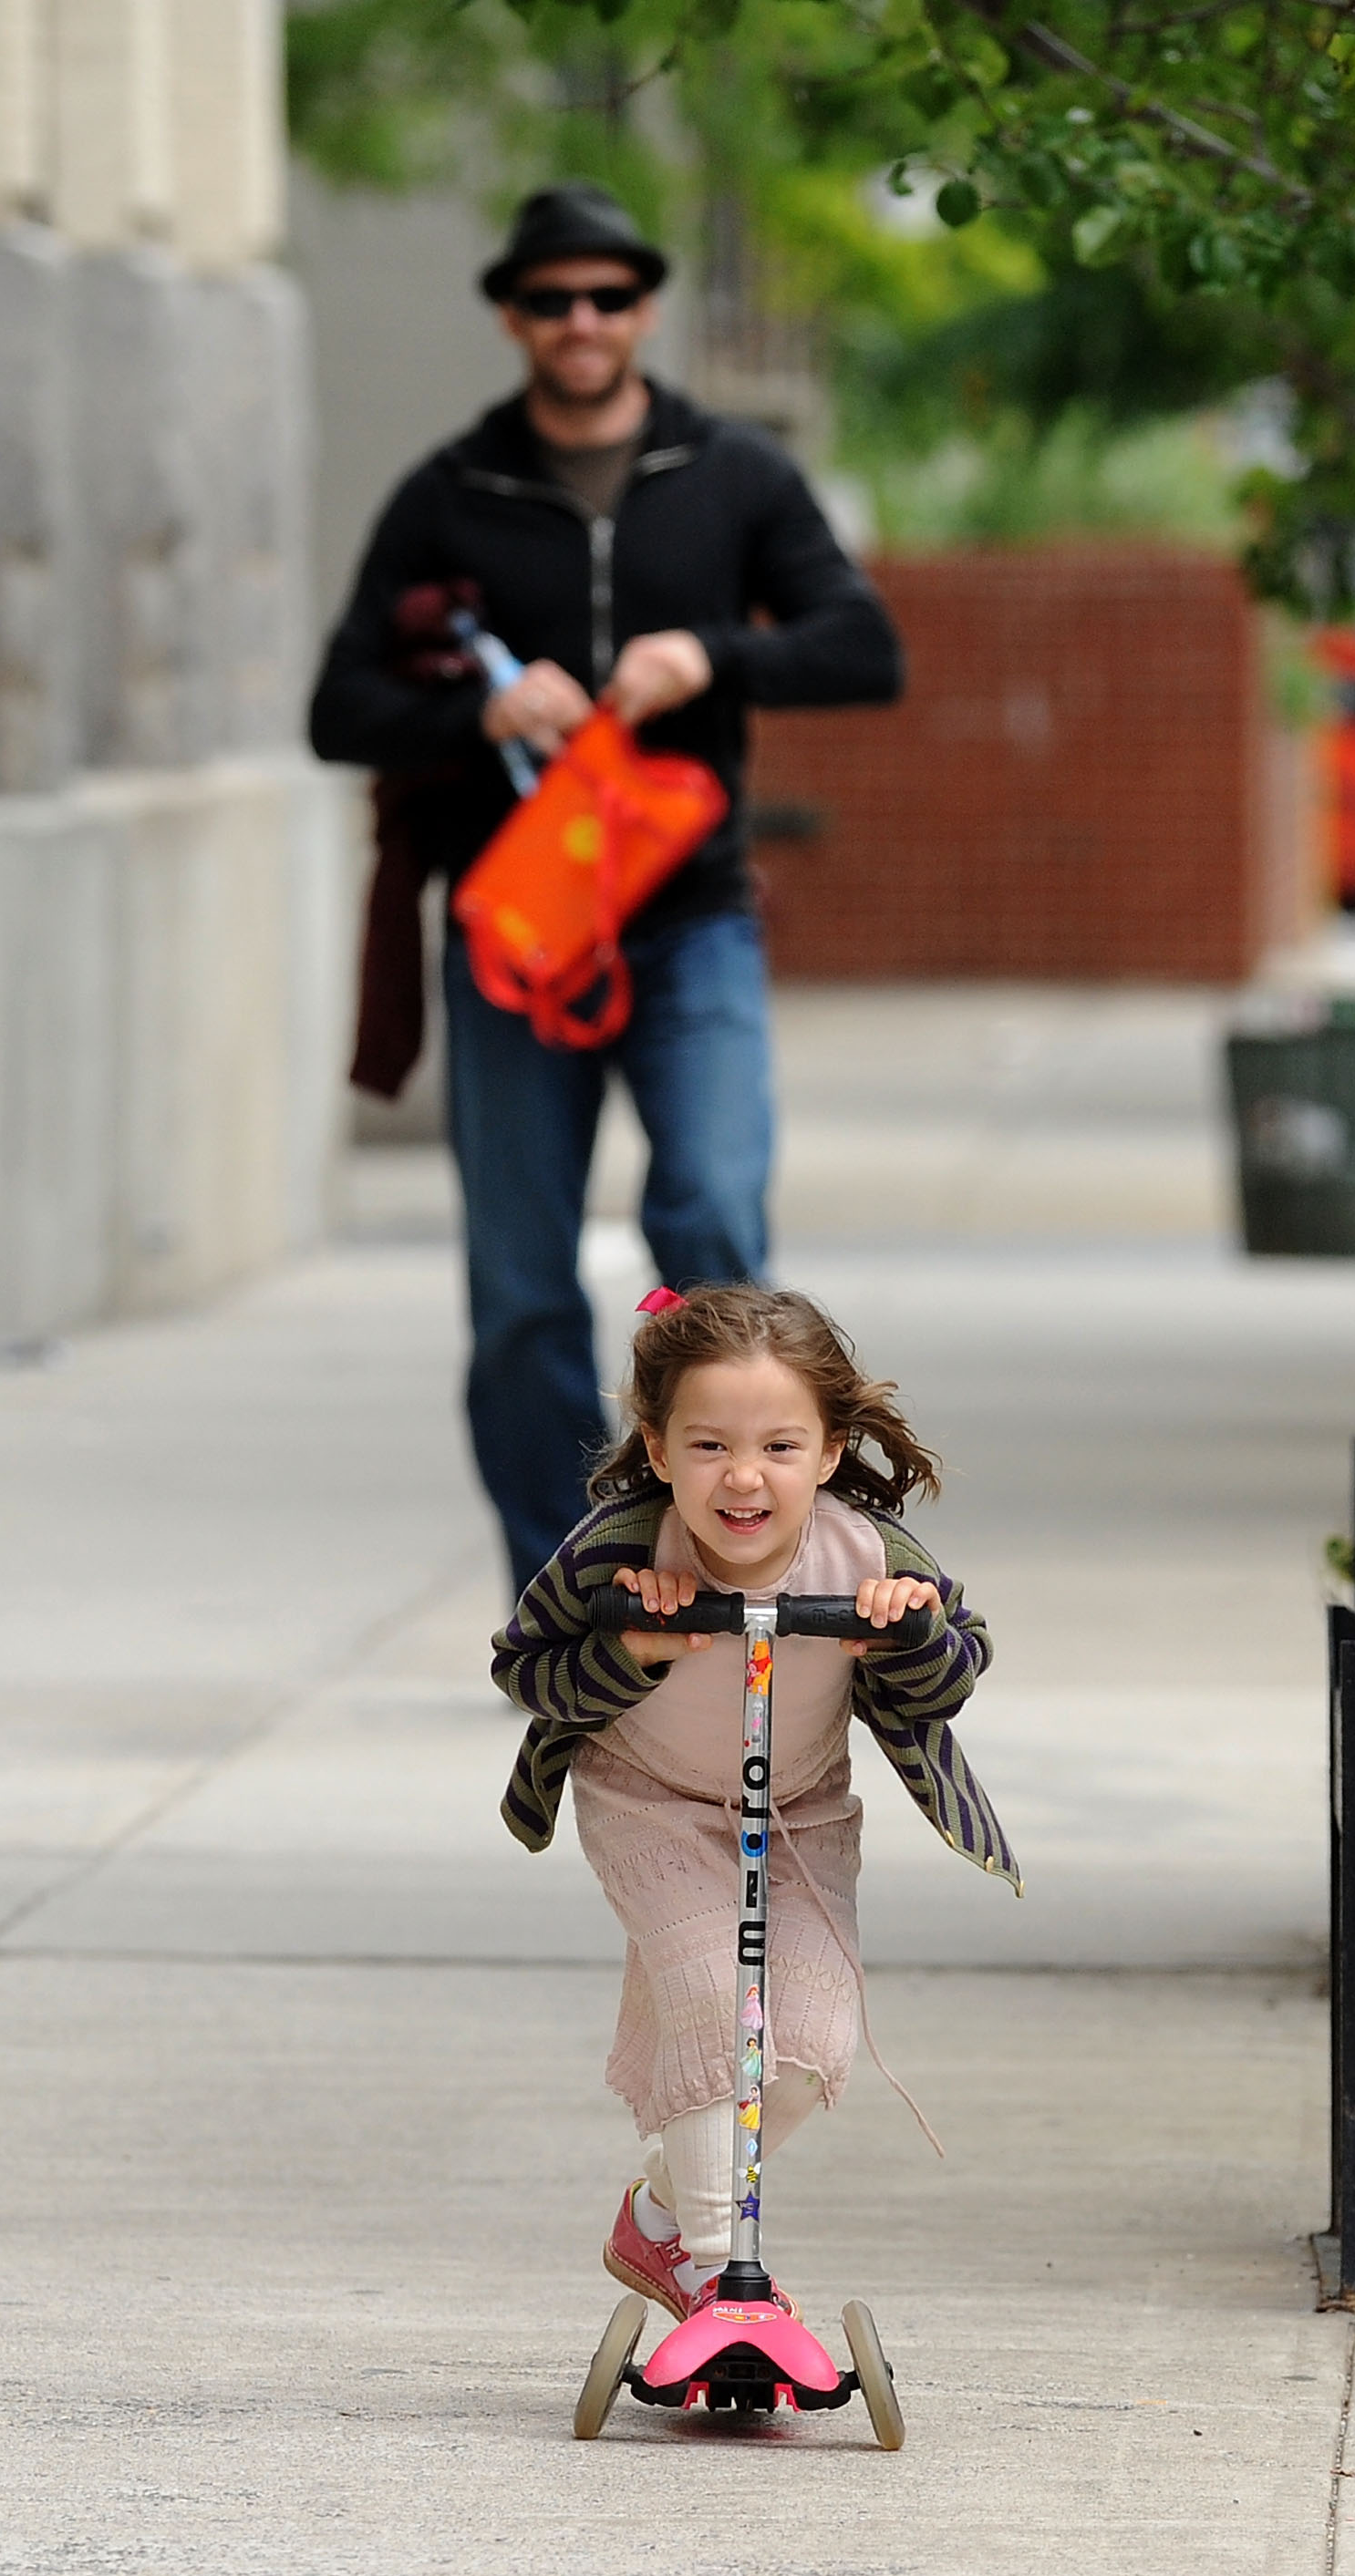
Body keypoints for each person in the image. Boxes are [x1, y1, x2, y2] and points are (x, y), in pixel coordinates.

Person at [310, 182, 905, 1593]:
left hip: (689, 918)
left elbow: (863, 649)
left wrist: (711, 655)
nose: (582, 323)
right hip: (520, 935)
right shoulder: (452, 493)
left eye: (609, 298)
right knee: (519, 1286)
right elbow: (338, 710)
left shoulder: (733, 470)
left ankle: (729, 1559)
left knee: (708, 1227)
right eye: (550, 300)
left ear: (645, 308)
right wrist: (481, 716)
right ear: (513, 317)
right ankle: (569, 1589)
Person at [489, 1283, 1015, 2314]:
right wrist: (627, 1650)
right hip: (648, 1802)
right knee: (710, 2006)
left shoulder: (866, 1555)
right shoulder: (615, 1551)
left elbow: (959, 1668)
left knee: (809, 2048)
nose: (741, 1477)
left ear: (826, 1452)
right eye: (707, 1447)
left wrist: (903, 1639)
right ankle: (714, 2265)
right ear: (656, 1447)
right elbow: (522, 1667)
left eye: (779, 1447)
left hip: (800, 1814)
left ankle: (656, 2212)